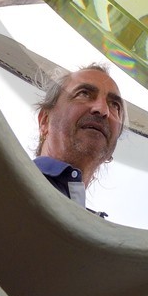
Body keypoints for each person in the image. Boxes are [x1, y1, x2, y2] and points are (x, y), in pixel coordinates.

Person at [33, 62, 125, 205]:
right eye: (84, 94)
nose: (103, 110)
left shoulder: (93, 224)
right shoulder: (4, 178)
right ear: (45, 120)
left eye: (115, 105)